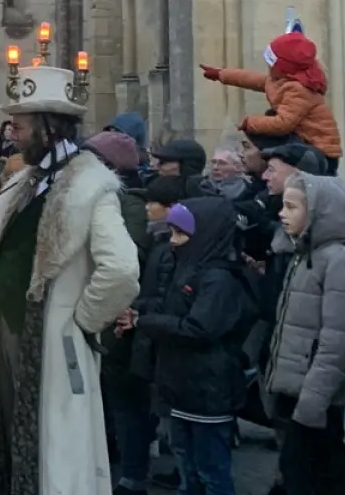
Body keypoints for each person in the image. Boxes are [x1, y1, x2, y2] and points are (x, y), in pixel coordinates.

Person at [0, 63, 141, 495]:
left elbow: (121, 269)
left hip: (52, 339)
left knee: (55, 451)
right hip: (8, 332)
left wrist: (80, 322)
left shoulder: (90, 187)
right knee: (8, 435)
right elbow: (7, 243)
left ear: (49, 128)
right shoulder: (27, 182)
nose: (13, 134)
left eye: (21, 126)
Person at [125, 199, 252, 495]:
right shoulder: (190, 267)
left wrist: (146, 321)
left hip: (206, 390)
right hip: (182, 387)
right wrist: (136, 311)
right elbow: (171, 306)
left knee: (210, 471)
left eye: (180, 234)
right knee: (188, 469)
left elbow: (199, 327)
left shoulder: (219, 279)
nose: (173, 241)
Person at [262, 172, 345, 495]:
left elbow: (339, 340)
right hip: (295, 390)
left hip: (315, 397)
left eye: (292, 207)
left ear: (320, 212)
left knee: (315, 472)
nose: (282, 214)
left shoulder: (338, 262)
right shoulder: (301, 256)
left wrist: (313, 400)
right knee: (304, 473)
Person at [201, 32, 343, 167]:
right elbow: (254, 79)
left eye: (271, 63)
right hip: (305, 142)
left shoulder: (298, 89)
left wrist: (250, 122)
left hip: (319, 153)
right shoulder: (284, 79)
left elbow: (283, 124)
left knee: (266, 128)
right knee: (268, 122)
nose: (268, 66)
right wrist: (221, 74)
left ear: (283, 67)